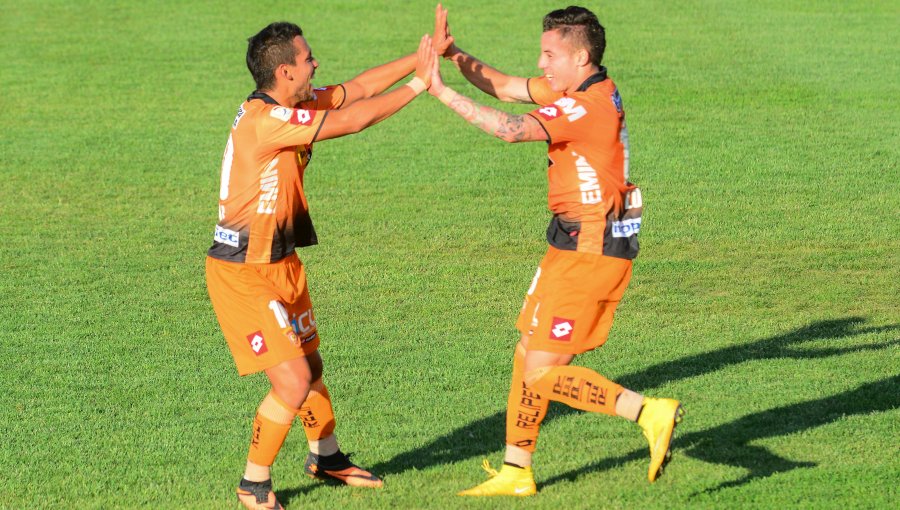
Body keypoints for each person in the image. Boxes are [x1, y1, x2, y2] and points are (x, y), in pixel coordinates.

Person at [428, 5, 684, 496]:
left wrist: (440, 90)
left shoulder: (585, 108)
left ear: (581, 56)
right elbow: (506, 87)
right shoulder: (580, 89)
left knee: (542, 372)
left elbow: (510, 128)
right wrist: (454, 54)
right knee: (528, 352)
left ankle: (647, 411)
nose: (542, 64)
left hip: (592, 246)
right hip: (569, 241)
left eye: (550, 54)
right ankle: (516, 470)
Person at [205, 21, 437, 509]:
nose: (317, 64)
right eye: (309, 59)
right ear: (286, 71)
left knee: (310, 366)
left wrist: (422, 58)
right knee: (290, 382)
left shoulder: (291, 104)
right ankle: (252, 485)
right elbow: (354, 120)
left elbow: (359, 90)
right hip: (243, 273)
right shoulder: (266, 121)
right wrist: (422, 84)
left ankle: (326, 458)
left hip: (281, 262)